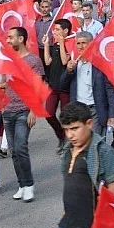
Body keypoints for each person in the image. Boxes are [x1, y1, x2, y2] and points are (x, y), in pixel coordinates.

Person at [48, 101, 114, 228]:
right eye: (66, 130)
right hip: (67, 226)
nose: (70, 135)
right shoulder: (68, 150)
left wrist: (102, 213)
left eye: (75, 128)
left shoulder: (102, 150)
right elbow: (70, 183)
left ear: (89, 124)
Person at [2, 27, 45, 203]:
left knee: (21, 147)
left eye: (11, 37)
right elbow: (4, 82)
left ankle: (28, 185)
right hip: (7, 110)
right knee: (13, 151)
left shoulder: (34, 60)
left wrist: (34, 110)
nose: (8, 40)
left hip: (23, 110)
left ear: (21, 39)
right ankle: (21, 184)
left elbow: (38, 86)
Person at [60, 31, 114, 137]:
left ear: (91, 44)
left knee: (94, 143)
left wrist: (113, 115)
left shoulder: (101, 64)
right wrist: (68, 71)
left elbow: (110, 90)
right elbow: (62, 86)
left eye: (84, 43)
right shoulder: (74, 64)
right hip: (78, 110)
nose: (81, 47)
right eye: (78, 43)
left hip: (95, 110)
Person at [43, 19, 72, 152]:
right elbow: (48, 62)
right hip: (53, 86)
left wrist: (62, 43)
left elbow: (65, 61)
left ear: (66, 31)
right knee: (48, 113)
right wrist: (47, 45)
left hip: (65, 88)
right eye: (54, 29)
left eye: (58, 29)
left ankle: (68, 142)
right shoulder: (55, 45)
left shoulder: (71, 44)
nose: (55, 32)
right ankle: (61, 136)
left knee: (66, 116)